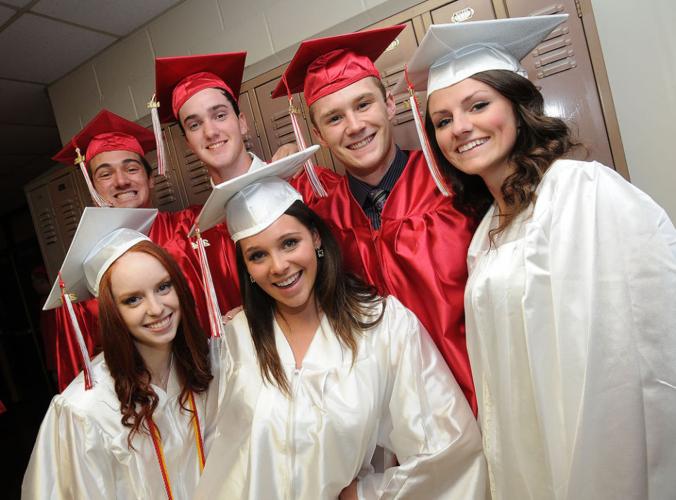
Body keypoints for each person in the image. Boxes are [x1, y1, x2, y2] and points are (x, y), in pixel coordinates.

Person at [402, 14, 676, 499]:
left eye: (478, 105)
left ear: (518, 104)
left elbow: (634, 341)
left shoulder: (579, 191)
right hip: (530, 459)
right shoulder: (484, 235)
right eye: (443, 121)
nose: (460, 129)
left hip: (596, 448)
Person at [191, 164, 487, 499]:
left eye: (289, 243)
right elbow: (218, 456)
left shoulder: (382, 326)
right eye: (257, 255)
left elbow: (447, 447)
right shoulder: (237, 340)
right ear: (246, 267)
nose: (278, 266)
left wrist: (366, 494)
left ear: (315, 236)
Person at [271, 26, 477, 412]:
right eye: (334, 118)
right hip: (395, 425)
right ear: (317, 134)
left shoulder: (455, 184)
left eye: (363, 105)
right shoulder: (321, 224)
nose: (354, 126)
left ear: (390, 105)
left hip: (481, 397)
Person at [22, 208, 224, 499]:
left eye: (163, 287)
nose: (156, 309)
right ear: (111, 312)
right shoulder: (84, 410)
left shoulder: (206, 364)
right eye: (133, 299)